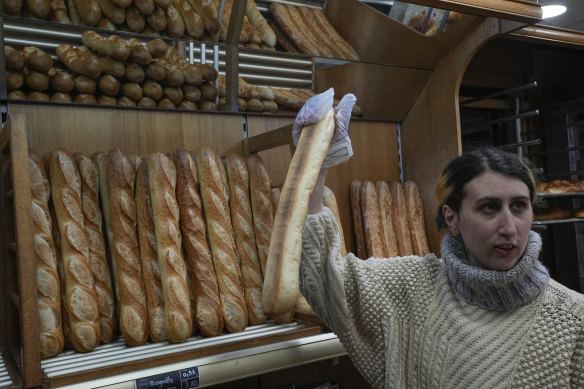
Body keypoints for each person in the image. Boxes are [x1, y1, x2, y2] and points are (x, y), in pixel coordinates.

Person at [296, 90, 584, 389]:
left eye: (519, 207)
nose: (510, 228)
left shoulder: (573, 320)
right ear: (452, 218)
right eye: (489, 208)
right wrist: (316, 164)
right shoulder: (413, 287)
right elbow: (325, 279)